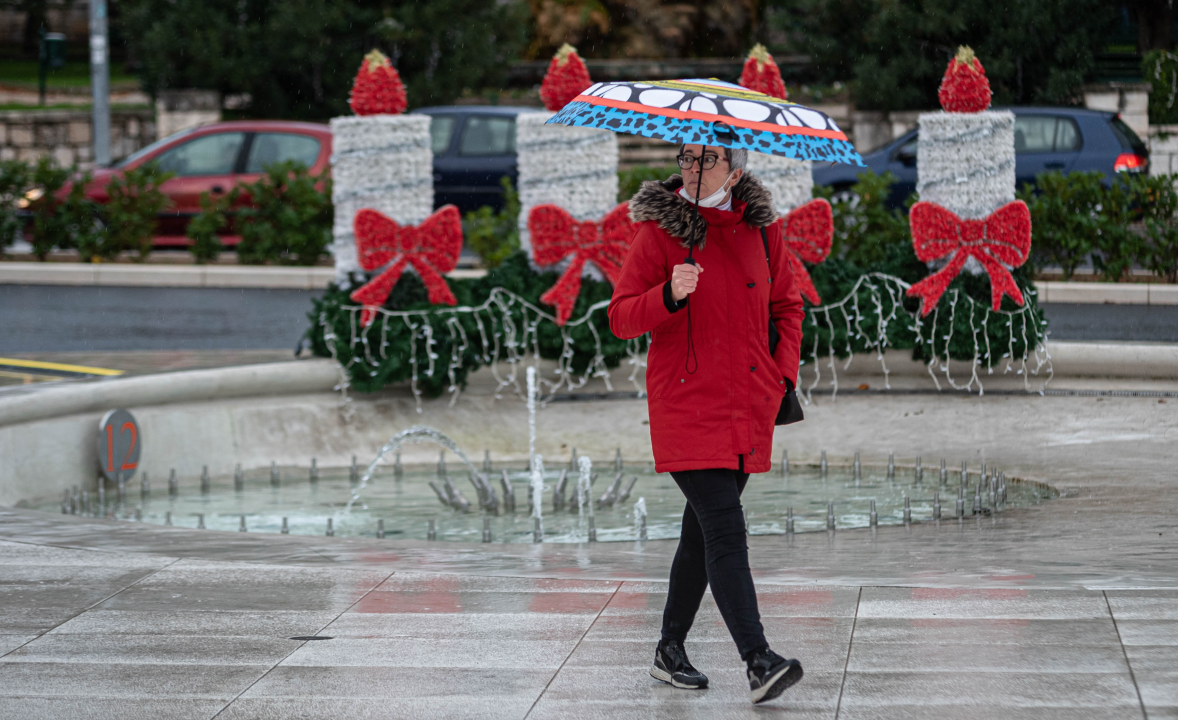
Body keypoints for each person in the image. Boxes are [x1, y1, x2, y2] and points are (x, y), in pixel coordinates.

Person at [607, 144, 806, 705]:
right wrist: (668, 294)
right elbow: (620, 317)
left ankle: (669, 651)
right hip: (687, 404)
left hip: (748, 404)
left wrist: (781, 377)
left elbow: (787, 307)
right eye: (687, 158)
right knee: (725, 529)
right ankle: (758, 659)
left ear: (735, 172)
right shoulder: (658, 233)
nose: (693, 169)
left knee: (700, 536)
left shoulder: (762, 232)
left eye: (708, 159)